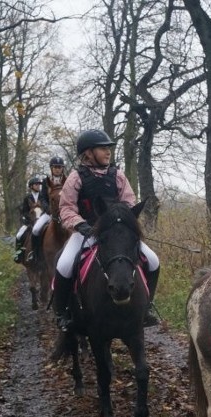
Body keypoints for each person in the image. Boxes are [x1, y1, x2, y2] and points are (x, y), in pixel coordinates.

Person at [52, 129, 160, 330]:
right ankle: (62, 313)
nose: (108, 152)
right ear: (88, 153)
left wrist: (121, 221)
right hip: (85, 232)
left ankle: (147, 307)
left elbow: (128, 201)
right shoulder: (76, 177)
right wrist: (80, 224)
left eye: (109, 148)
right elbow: (66, 208)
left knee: (153, 260)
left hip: (115, 234)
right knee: (64, 264)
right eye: (103, 148)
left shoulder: (117, 175)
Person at [13, 175, 47, 263]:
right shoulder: (27, 198)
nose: (38, 186)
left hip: (42, 219)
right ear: (31, 186)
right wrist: (28, 219)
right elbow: (24, 211)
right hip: (30, 221)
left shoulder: (43, 196)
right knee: (19, 235)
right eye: (36, 184)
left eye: (39, 185)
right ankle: (18, 255)